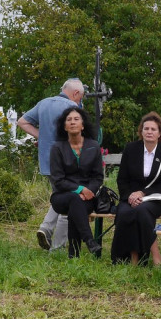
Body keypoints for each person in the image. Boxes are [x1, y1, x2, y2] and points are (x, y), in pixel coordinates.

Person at [18, 79, 85, 252]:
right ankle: (58, 248)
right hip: (66, 161)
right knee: (69, 200)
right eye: (80, 98)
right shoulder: (73, 107)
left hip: (47, 161)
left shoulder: (44, 103)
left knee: (59, 195)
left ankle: (46, 228)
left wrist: (41, 136)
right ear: (76, 93)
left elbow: (22, 122)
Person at [110, 112, 161, 265]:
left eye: (153, 129)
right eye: (146, 129)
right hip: (130, 197)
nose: (149, 132)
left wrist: (143, 193)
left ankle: (151, 256)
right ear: (141, 131)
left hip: (157, 198)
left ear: (159, 133)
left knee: (142, 211)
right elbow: (122, 179)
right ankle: (126, 257)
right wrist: (131, 196)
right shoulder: (131, 149)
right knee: (125, 212)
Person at [49, 107, 104, 258]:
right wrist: (80, 189)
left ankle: (74, 255)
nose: (72, 122)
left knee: (76, 207)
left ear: (83, 125)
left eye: (76, 119)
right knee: (74, 199)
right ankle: (89, 240)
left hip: (87, 197)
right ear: (64, 126)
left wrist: (88, 191)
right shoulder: (57, 148)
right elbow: (58, 180)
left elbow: (98, 177)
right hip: (61, 196)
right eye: (69, 120)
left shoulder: (93, 146)